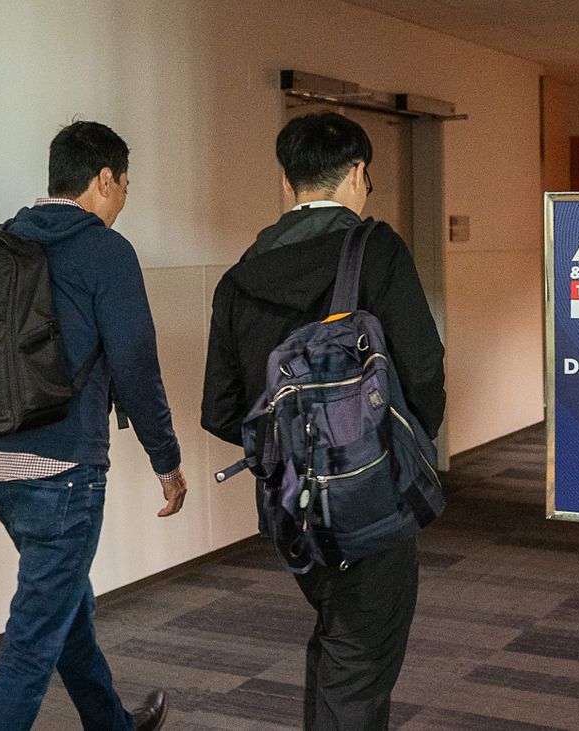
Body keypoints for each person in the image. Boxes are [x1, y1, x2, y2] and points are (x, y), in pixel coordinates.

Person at [0, 120, 186, 731]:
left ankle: (112, 725)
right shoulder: (106, 252)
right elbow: (136, 366)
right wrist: (167, 461)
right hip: (67, 474)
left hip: (1, 473)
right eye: (125, 187)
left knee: (66, 610)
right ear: (103, 179)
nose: (122, 201)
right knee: (31, 646)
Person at [201, 111, 445, 730]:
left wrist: (293, 450)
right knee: (359, 659)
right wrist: (398, 449)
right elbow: (423, 373)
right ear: (358, 172)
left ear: (287, 183)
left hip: (289, 505)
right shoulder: (378, 252)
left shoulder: (239, 277)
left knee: (340, 640)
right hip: (371, 496)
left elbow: (221, 408)